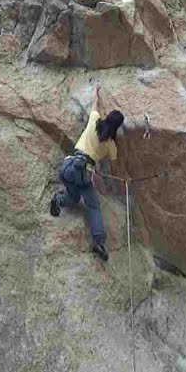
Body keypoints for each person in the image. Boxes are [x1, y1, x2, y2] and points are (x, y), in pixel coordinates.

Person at [51, 99, 125, 261]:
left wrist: (96, 92)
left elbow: (94, 105)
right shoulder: (111, 145)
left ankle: (58, 199)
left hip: (69, 166)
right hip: (84, 174)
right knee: (93, 205)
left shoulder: (94, 121)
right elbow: (114, 163)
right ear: (117, 128)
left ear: (107, 117)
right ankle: (98, 241)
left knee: (74, 198)